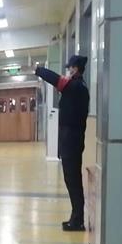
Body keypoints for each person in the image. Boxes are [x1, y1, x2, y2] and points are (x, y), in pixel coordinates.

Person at [35, 55, 90, 231]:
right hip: (71, 139)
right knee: (71, 180)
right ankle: (76, 217)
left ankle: (78, 220)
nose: (68, 70)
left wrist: (38, 70)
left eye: (70, 67)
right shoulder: (78, 86)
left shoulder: (76, 86)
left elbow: (56, 80)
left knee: (73, 181)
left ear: (76, 68)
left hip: (72, 140)